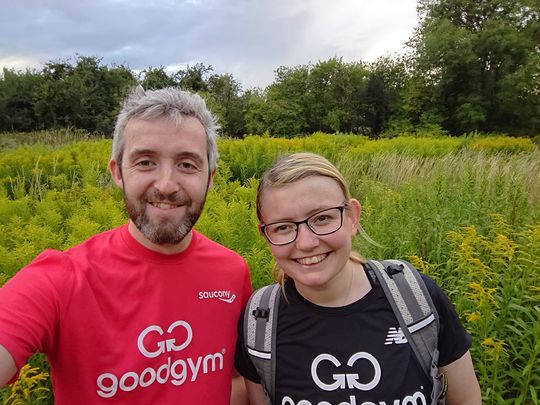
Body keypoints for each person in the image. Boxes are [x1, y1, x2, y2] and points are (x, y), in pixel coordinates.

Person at [0, 87, 252, 404]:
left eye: (187, 164)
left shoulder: (231, 271)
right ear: (118, 172)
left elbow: (235, 379)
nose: (165, 185)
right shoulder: (62, 280)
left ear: (210, 178)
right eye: (145, 162)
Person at [235, 152, 482, 405]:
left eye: (322, 218)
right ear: (266, 236)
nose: (306, 243)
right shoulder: (259, 323)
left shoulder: (415, 298)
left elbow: (465, 399)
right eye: (283, 227)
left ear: (352, 217)